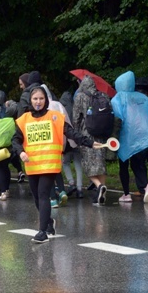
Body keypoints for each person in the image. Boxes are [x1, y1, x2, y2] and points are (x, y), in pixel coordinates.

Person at [14, 86, 100, 243]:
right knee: (37, 198)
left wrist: (90, 143)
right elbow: (16, 140)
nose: (38, 102)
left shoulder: (55, 117)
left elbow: (72, 133)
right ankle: (48, 223)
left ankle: (42, 233)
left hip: (49, 164)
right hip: (32, 165)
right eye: (35, 99)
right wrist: (20, 152)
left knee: (43, 194)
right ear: (30, 101)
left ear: (46, 100)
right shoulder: (23, 120)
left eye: (41, 98)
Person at [111, 71, 148, 203]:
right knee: (138, 164)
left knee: (124, 166)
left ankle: (126, 194)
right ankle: (144, 185)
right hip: (143, 136)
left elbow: (117, 119)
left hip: (125, 137)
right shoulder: (142, 98)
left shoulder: (117, 99)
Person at [73, 75, 111, 205]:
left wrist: (76, 135)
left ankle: (99, 186)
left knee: (88, 165)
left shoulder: (80, 96)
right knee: (100, 163)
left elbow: (76, 118)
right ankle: (102, 189)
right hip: (102, 134)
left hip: (86, 134)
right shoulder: (104, 96)